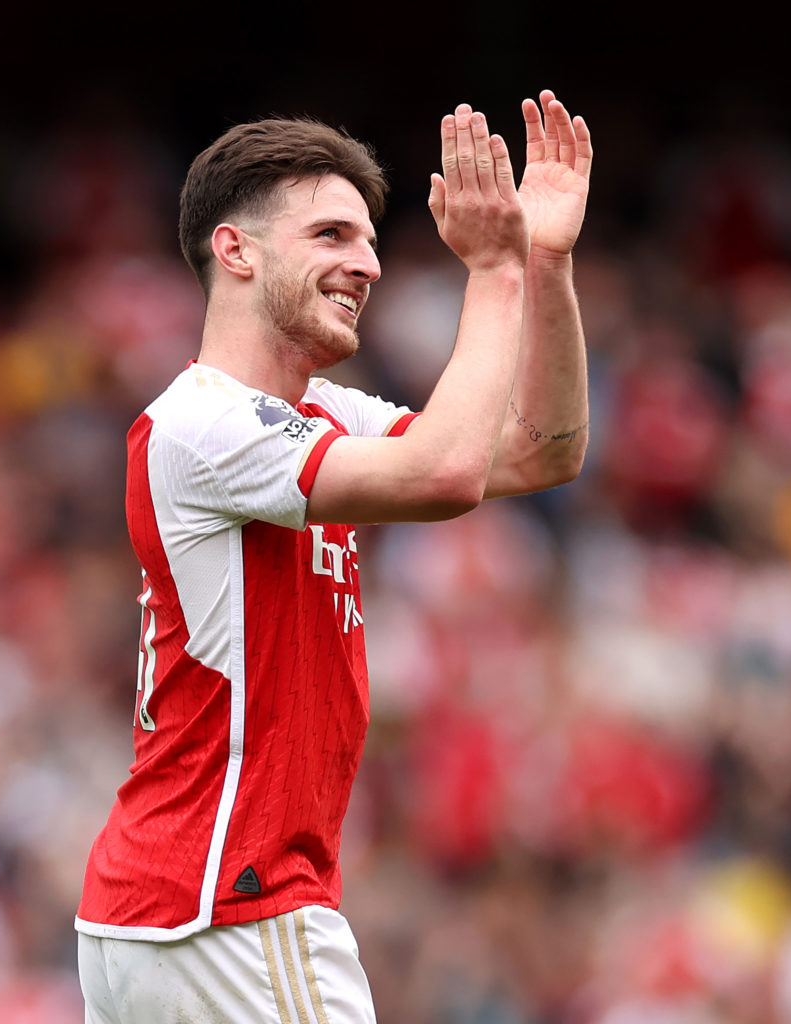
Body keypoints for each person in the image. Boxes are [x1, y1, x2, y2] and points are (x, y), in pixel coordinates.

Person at [74, 91, 592, 1023]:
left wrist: (542, 259)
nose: (367, 263)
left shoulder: (320, 412)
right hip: (232, 906)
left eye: (368, 241)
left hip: (168, 913)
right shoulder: (203, 421)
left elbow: (539, 448)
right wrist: (492, 271)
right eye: (331, 235)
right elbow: (444, 473)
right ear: (236, 250)